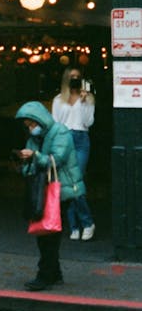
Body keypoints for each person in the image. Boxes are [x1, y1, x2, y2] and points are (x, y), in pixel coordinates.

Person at [14, 100, 86, 291]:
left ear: (40, 120)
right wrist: (24, 163)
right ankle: (53, 272)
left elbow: (57, 159)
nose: (31, 129)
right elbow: (33, 166)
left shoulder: (60, 132)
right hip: (44, 189)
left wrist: (34, 157)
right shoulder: (34, 139)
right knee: (47, 232)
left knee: (49, 233)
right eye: (28, 126)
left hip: (61, 189)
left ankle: (45, 274)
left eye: (32, 124)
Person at [52, 66, 96, 241]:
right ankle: (75, 226)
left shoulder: (88, 98)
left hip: (81, 139)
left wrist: (84, 102)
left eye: (78, 77)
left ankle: (86, 222)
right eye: (72, 77)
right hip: (65, 138)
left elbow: (88, 122)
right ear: (66, 79)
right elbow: (56, 123)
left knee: (76, 181)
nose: (75, 80)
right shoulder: (58, 100)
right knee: (67, 183)